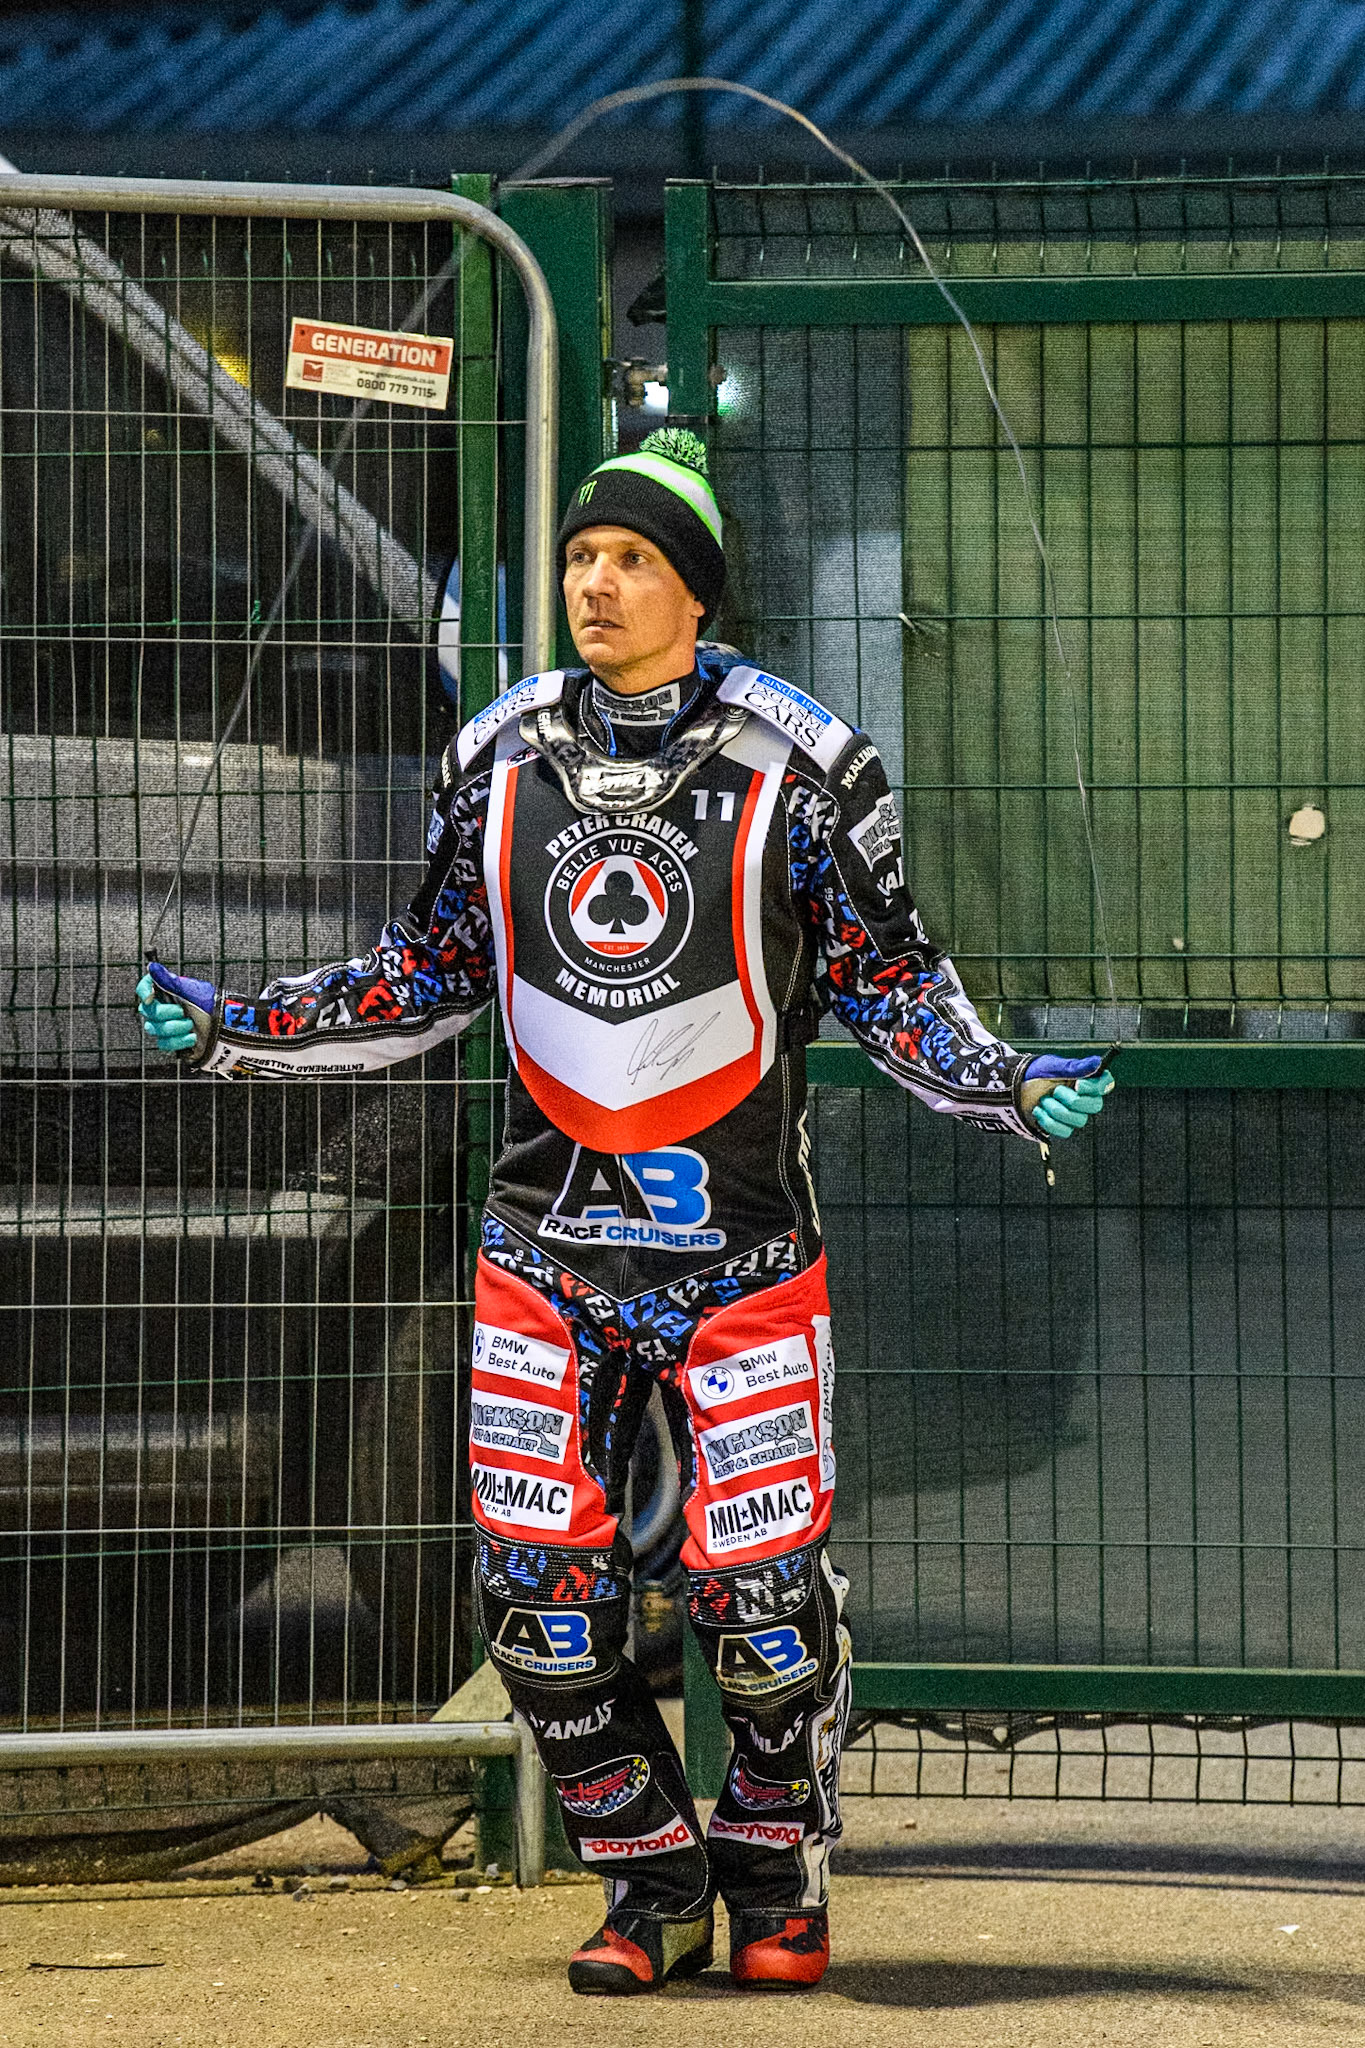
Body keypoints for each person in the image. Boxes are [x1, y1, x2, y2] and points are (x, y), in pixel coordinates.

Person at [137, 427, 1112, 1995]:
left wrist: (999, 1078)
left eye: (632, 560)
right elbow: (429, 972)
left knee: (764, 1610)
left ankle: (773, 1874)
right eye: (583, 556)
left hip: (737, 1258)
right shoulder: (501, 753)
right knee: (534, 1602)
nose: (596, 582)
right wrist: (249, 1017)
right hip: (545, 1252)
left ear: (698, 597)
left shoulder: (803, 765)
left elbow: (894, 986)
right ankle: (646, 1881)